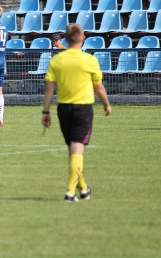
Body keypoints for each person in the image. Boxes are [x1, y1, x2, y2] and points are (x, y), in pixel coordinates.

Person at [42, 23, 112, 202]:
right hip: (83, 109)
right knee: (77, 151)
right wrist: (106, 105)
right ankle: (69, 192)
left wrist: (46, 111)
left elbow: (50, 87)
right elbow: (99, 87)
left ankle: (83, 188)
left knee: (73, 151)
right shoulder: (89, 60)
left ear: (64, 39)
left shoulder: (57, 60)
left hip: (63, 108)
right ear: (82, 39)